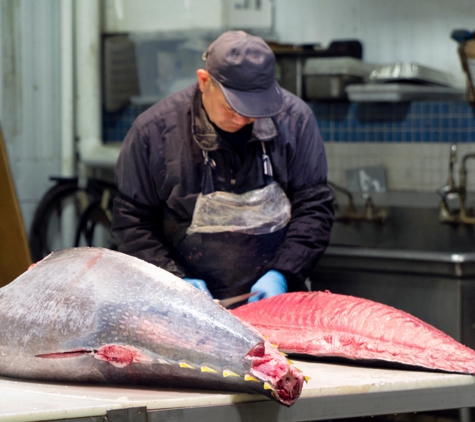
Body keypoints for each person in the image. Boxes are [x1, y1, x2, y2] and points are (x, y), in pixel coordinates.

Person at [111, 30, 334, 303]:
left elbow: (314, 208)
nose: (242, 119)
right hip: (183, 308)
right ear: (204, 81)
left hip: (276, 302)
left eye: (255, 110)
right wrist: (174, 281)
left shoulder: (295, 121)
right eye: (232, 108)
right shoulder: (152, 132)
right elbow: (132, 223)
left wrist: (284, 273)